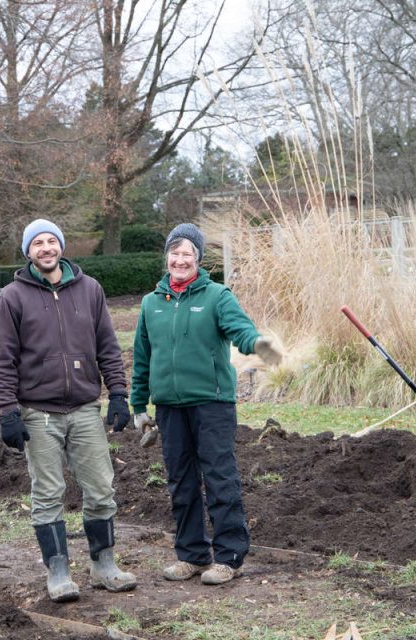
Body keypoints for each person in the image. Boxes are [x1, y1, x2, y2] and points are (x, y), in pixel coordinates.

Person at [0, 218, 137, 602]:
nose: (46, 248)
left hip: (85, 408)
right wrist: (8, 411)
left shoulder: (90, 290)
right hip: (38, 412)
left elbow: (107, 345)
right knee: (48, 492)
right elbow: (1, 359)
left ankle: (104, 565)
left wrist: (118, 393)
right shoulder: (12, 297)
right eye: (37, 243)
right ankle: (58, 571)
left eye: (51, 241)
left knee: (101, 488)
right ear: (28, 252)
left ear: (61, 246)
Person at [130, 223, 282, 586]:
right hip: (169, 407)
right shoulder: (152, 303)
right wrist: (139, 406)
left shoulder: (217, 296)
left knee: (219, 478)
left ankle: (229, 558)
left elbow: (239, 328)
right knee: (180, 482)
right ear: (167, 257)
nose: (180, 260)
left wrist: (256, 344)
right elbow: (142, 357)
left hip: (212, 404)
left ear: (197, 259)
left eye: (188, 254)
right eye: (175, 253)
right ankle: (192, 555)